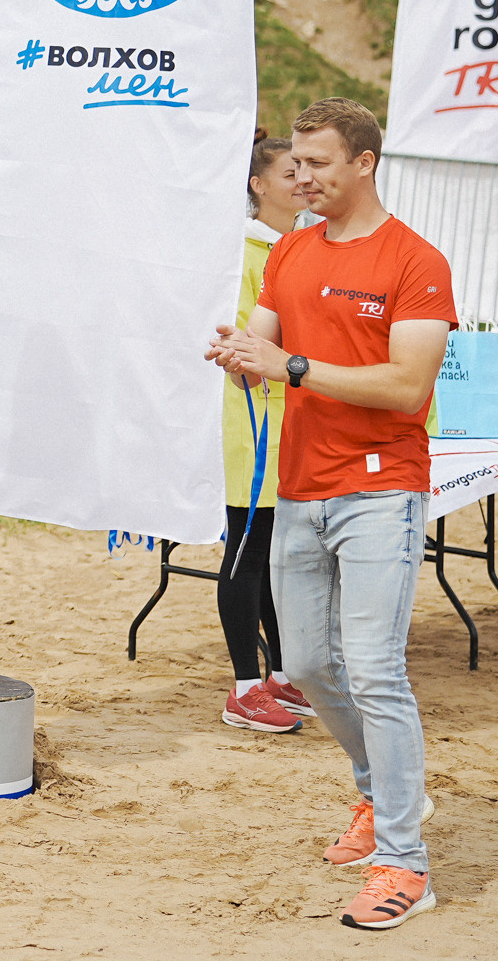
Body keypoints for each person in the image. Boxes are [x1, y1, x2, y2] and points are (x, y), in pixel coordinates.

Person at [208, 97, 455, 933]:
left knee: (378, 669)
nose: (300, 177)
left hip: (383, 487)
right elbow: (266, 354)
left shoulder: (416, 261)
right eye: (296, 164)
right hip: (300, 485)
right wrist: (242, 359)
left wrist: (290, 364)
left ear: (364, 164)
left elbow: (406, 387)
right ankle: (388, 795)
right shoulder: (291, 254)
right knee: (310, 667)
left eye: (317, 163)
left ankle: (405, 864)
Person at [216, 137, 311, 737]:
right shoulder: (244, 251)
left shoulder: (297, 247)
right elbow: (241, 346)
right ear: (257, 184)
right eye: (288, 171)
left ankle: (280, 675)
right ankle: (244, 687)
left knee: (278, 558)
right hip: (252, 421)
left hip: (294, 418)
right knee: (247, 553)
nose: (301, 179)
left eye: (306, 169)